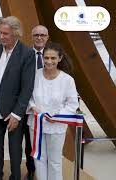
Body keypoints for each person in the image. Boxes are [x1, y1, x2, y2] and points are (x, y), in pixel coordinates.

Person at [0, 16, 35, 180]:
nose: (1, 37)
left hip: (13, 113)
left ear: (16, 33)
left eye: (5, 34)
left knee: (15, 150)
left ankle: (15, 177)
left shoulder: (27, 53)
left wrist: (17, 114)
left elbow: (27, 87)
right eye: (0, 33)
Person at [27, 42, 78, 180]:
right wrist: (33, 107)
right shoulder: (35, 75)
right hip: (36, 125)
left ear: (60, 58)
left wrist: (57, 116)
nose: (49, 61)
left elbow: (72, 103)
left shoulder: (67, 80)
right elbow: (28, 96)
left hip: (56, 126)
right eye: (47, 58)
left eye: (53, 58)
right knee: (39, 159)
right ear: (42, 58)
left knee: (55, 161)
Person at [22, 24, 50, 180]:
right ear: (32, 37)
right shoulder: (25, 55)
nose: (39, 38)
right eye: (36, 35)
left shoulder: (53, 55)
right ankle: (31, 170)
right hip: (29, 108)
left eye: (42, 35)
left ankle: (46, 171)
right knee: (30, 143)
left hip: (49, 109)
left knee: (47, 142)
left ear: (47, 37)